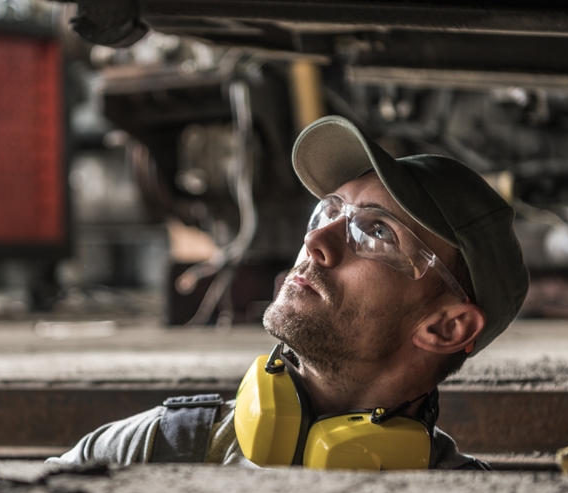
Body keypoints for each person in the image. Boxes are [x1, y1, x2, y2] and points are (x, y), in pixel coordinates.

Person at [47, 116, 529, 470]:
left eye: (378, 233)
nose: (315, 243)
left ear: (447, 327)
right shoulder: (152, 450)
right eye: (328, 212)